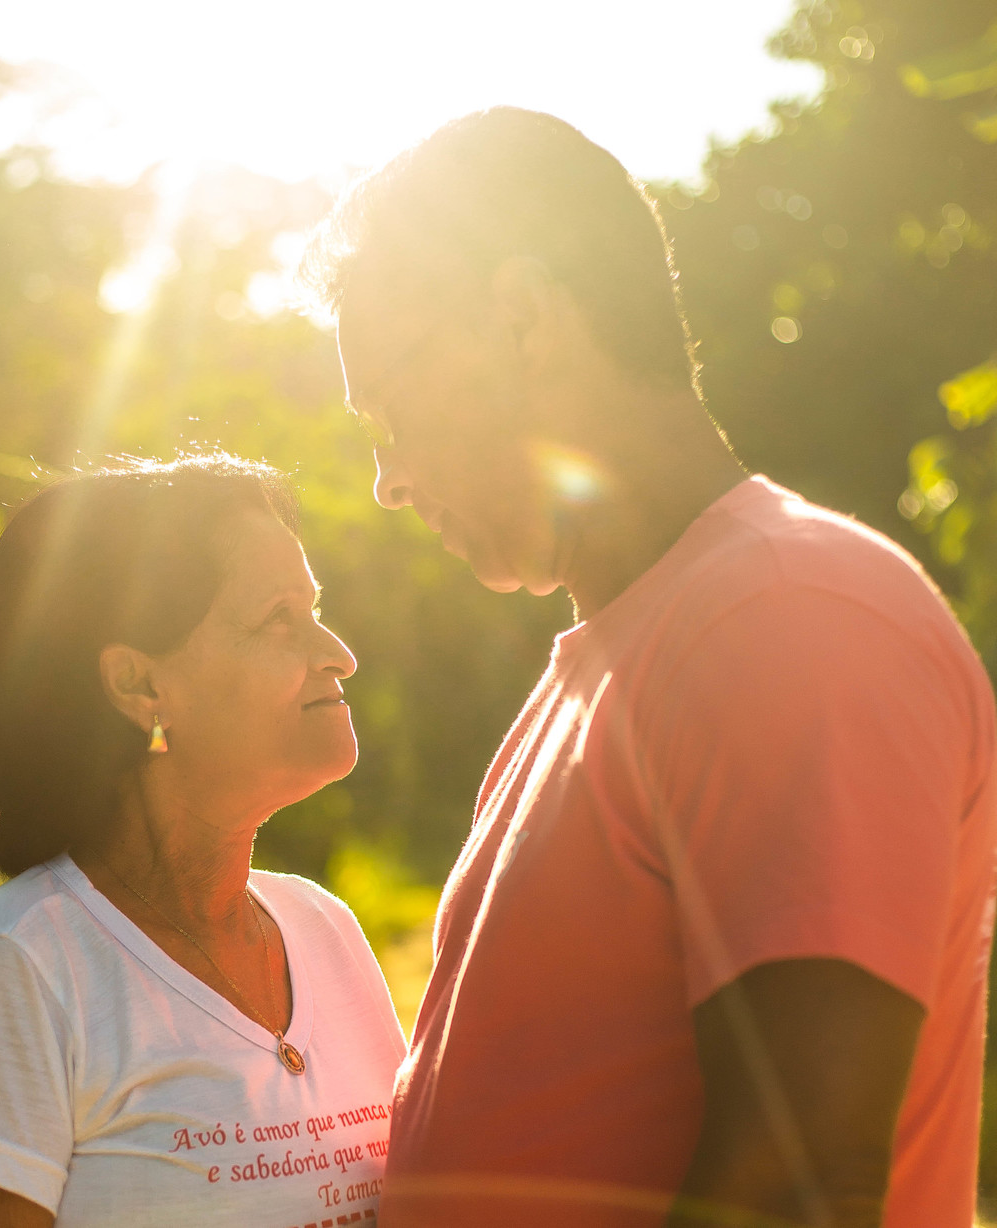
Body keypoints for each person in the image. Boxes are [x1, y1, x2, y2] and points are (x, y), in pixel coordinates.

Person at [299, 107, 997, 1228]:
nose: (386, 477)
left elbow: (801, 1177)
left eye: (390, 406)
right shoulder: (608, 659)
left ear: (523, 318)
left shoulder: (785, 610)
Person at [0, 454, 406, 1227]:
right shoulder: (5, 976)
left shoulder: (327, 933)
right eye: (278, 619)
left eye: (316, 610)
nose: (338, 654)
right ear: (138, 686)